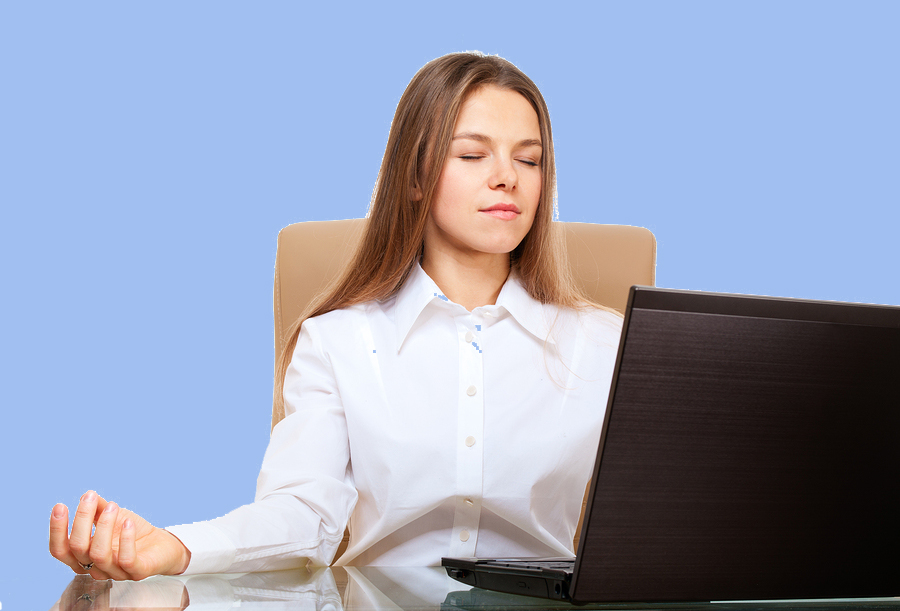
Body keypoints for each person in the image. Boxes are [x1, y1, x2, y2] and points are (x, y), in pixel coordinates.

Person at [49, 51, 622, 581]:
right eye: (472, 154)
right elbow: (303, 515)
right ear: (417, 176)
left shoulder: (605, 343)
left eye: (530, 159)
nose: (508, 177)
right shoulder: (337, 341)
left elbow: (659, 516)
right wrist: (175, 547)